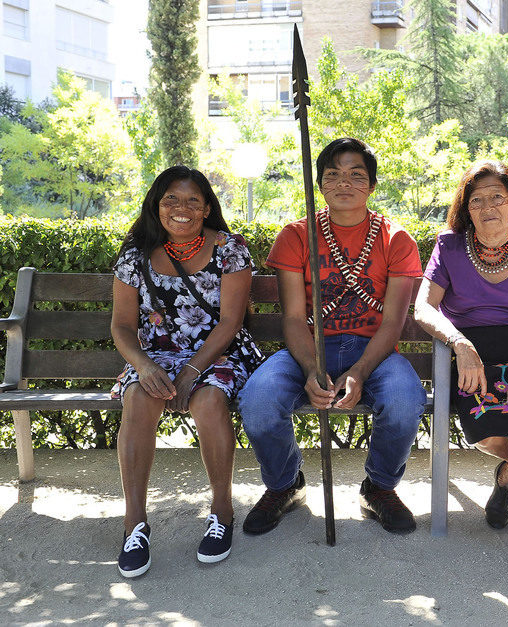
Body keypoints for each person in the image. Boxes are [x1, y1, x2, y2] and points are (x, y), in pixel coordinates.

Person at [237, 137, 426, 536]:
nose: (344, 183)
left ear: (372, 186)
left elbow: (392, 322)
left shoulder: (397, 240)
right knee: (257, 400)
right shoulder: (295, 236)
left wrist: (359, 371)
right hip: (307, 348)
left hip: (373, 350)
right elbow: (292, 317)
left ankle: (379, 486)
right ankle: (285, 485)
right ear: (320, 184)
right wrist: (310, 367)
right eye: (333, 175)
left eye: (356, 175)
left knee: (405, 400)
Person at [110, 165, 263, 577]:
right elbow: (122, 326)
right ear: (156, 206)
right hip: (155, 356)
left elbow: (231, 323)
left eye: (193, 201)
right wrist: (142, 365)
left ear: (207, 207)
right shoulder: (135, 253)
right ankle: (134, 524)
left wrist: (193, 370)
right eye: (171, 200)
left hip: (218, 353)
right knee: (139, 400)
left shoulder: (230, 249)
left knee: (210, 400)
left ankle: (221, 512)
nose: (182, 209)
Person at [414, 160, 508, 529]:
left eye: (497, 197)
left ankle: (507, 481)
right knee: (486, 436)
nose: (488, 208)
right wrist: (459, 343)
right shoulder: (450, 246)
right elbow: (423, 307)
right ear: (465, 208)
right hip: (473, 356)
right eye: (477, 200)